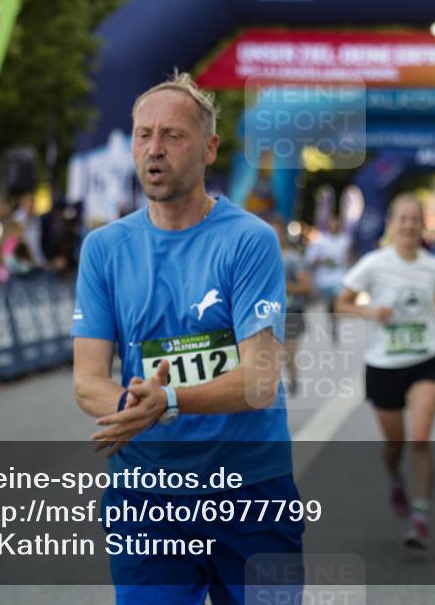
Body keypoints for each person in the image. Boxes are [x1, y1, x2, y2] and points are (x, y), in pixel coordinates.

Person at [71, 73, 302, 603]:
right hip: (146, 498)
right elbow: (86, 381)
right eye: (142, 134)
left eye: (173, 135)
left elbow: (261, 381)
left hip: (249, 495)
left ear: (209, 147)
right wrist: (141, 406)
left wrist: (167, 401)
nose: (154, 149)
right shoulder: (104, 249)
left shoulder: (248, 240)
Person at [335, 193, 435, 549]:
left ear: (423, 225)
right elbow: (340, 303)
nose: (408, 225)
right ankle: (395, 477)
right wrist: (371, 311)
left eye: (414, 219)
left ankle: (420, 515)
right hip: (384, 364)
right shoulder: (374, 264)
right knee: (395, 443)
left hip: (426, 360)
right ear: (392, 223)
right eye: (402, 219)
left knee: (419, 438)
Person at [271, 215, 312, 396]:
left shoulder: (292, 258)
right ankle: (275, 391)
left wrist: (283, 286)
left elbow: (307, 286)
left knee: (287, 354)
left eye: (276, 231)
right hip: (272, 314)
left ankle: (293, 380)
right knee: (271, 357)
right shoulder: (262, 258)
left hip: (293, 312)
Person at [304, 215, 352, 342]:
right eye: (332, 225)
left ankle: (335, 323)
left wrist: (348, 261)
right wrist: (322, 260)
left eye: (337, 225)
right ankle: (332, 321)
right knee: (328, 304)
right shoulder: (320, 241)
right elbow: (309, 260)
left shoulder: (345, 240)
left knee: (337, 302)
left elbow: (350, 255)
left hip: (339, 278)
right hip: (324, 280)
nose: (334, 227)